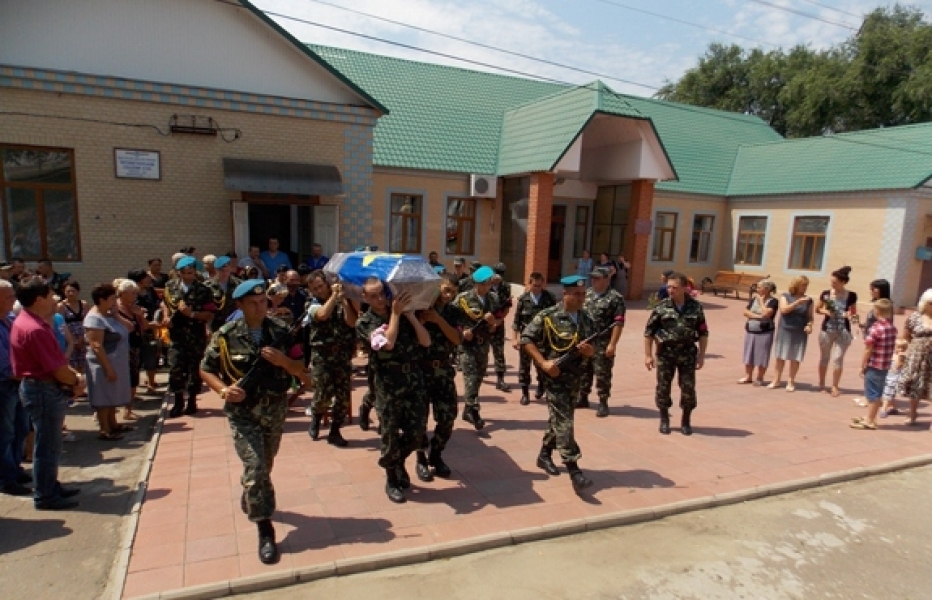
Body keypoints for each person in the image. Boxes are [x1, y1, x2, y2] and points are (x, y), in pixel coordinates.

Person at [200, 279, 307, 564]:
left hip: (274, 410)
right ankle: (265, 529)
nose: (261, 307)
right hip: (242, 412)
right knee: (257, 466)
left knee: (264, 464)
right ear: (240, 305)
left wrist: (284, 362)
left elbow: (304, 370)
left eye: (264, 302)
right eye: (253, 303)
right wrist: (223, 390)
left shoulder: (282, 331)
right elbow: (205, 369)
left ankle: (252, 489)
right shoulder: (225, 335)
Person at [11, 277, 86, 510]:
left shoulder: (31, 322)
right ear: (39, 299)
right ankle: (45, 495)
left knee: (50, 443)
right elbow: (57, 370)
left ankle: (50, 485)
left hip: (41, 387)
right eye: (51, 295)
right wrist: (76, 380)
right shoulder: (33, 328)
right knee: (47, 445)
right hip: (42, 389)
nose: (56, 299)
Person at [355, 278, 431, 503]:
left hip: (413, 380)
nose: (380, 299)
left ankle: (398, 462)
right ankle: (391, 478)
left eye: (382, 293)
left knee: (417, 431)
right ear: (365, 298)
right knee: (389, 433)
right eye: (374, 296)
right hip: (388, 384)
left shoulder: (401, 312)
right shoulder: (366, 322)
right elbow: (387, 344)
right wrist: (396, 315)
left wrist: (409, 316)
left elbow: (425, 342)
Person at [520, 275, 595, 491]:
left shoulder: (586, 317)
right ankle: (574, 469)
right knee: (565, 421)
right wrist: (543, 363)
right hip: (554, 378)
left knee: (559, 418)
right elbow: (526, 338)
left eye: (583, 294)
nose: (582, 298)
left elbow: (592, 345)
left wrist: (590, 352)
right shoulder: (548, 316)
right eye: (577, 294)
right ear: (566, 294)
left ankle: (544, 454)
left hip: (576, 378)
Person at [644, 272, 708, 435]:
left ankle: (686, 420)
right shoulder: (661, 307)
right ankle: (664, 418)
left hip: (687, 354)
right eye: (669, 287)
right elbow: (649, 332)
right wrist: (648, 355)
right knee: (663, 387)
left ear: (685, 288)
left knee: (688, 388)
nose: (670, 290)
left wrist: (701, 355)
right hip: (666, 354)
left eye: (675, 287)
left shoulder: (695, 307)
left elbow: (703, 332)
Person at [414, 274, 462, 480]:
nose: (448, 294)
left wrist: (438, 319)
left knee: (447, 416)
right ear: (437, 287)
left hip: (442, 370)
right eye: (445, 289)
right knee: (419, 419)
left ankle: (436, 453)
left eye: (452, 291)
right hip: (420, 370)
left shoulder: (453, 312)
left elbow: (457, 338)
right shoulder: (420, 306)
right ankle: (420, 458)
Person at [305, 271, 357, 447]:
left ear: (327, 284)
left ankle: (335, 431)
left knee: (343, 397)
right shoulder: (311, 304)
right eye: (315, 288)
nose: (319, 290)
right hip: (323, 356)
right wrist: (334, 296)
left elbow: (351, 322)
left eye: (321, 286)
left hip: (342, 355)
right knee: (322, 394)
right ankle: (316, 418)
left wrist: (343, 300)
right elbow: (322, 315)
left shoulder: (342, 301)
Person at [161, 256, 215, 417]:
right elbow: (165, 303)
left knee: (195, 368)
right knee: (176, 367)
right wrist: (165, 317)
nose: (188, 276)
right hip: (177, 335)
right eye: (184, 273)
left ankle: (192, 400)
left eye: (191, 273)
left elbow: (209, 313)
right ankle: (178, 401)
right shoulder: (170, 286)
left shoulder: (204, 290)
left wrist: (191, 314)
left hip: (195, 335)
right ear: (179, 273)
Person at [454, 265, 501, 430]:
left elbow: (497, 321)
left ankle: (468, 408)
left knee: (479, 376)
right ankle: (474, 410)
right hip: (467, 345)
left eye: (489, 284)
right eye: (485, 284)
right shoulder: (463, 299)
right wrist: (462, 331)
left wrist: (492, 323)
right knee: (471, 377)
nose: (487, 287)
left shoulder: (493, 299)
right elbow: (452, 319)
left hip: (483, 344)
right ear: (477, 284)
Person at [84, 283, 132, 440]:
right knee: (103, 397)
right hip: (103, 364)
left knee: (112, 395)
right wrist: (108, 368)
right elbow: (96, 346)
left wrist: (117, 315)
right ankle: (104, 429)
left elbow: (130, 327)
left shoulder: (110, 315)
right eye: (112, 299)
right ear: (101, 300)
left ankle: (113, 423)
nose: (114, 301)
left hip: (117, 361)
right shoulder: (94, 318)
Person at [579, 267, 626, 417]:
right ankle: (583, 397)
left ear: (607, 279)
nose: (593, 280)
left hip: (603, 342)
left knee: (602, 373)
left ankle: (603, 402)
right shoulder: (588, 294)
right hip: (586, 341)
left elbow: (618, 323)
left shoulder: (615, 298)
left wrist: (612, 344)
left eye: (597, 278)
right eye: (592, 278)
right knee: (584, 371)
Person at [0, 280, 32, 496]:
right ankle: (6, 478)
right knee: (5, 433)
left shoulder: (11, 320)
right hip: (4, 386)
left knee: (20, 428)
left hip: (18, 383)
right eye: (9, 297)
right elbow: (3, 363)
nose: (14, 300)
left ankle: (15, 467)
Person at [850, 299, 897, 430]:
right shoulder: (892, 328)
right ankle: (870, 416)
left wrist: (862, 365)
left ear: (877, 311)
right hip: (885, 364)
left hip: (874, 364)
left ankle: (870, 420)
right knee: (878, 391)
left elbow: (868, 348)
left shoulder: (876, 328)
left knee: (872, 393)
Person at [512, 272, 557, 406]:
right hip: (526, 340)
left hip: (543, 339)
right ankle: (525, 393)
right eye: (534, 285)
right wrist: (515, 339)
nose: (537, 288)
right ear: (529, 283)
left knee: (541, 365)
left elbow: (555, 319)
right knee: (524, 368)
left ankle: (541, 385)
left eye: (539, 285)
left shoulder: (549, 298)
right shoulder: (523, 299)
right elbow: (516, 321)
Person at [816, 266, 857, 397]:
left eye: (835, 282)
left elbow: (853, 312)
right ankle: (822, 383)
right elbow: (818, 309)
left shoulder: (851, 296)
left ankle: (835, 386)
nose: (832, 284)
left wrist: (849, 315)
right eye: (831, 281)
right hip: (827, 329)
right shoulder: (826, 294)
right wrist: (826, 311)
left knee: (838, 358)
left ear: (843, 282)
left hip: (843, 330)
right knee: (824, 357)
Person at [769, 276, 814, 392]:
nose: (805, 288)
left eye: (806, 285)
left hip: (799, 331)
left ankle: (791, 381)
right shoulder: (785, 296)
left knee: (795, 356)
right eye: (803, 285)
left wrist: (809, 325)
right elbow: (783, 310)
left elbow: (810, 317)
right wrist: (797, 302)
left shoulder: (809, 300)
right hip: (785, 329)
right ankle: (776, 380)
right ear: (796, 285)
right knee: (780, 356)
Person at [113, 279, 147, 421]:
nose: (135, 296)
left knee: (133, 379)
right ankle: (109, 408)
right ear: (122, 294)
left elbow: (144, 327)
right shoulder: (114, 309)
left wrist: (140, 316)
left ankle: (128, 410)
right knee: (117, 379)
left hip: (134, 347)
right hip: (119, 348)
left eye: (135, 293)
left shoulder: (135, 308)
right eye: (132, 293)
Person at [897, 289, 932, 428]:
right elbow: (905, 337)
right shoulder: (915, 317)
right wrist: (901, 354)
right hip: (917, 357)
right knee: (916, 386)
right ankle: (912, 414)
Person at [739, 280, 778, 386]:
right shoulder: (753, 299)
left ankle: (760, 378)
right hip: (750, 330)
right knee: (749, 354)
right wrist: (757, 316)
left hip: (764, 332)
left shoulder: (773, 301)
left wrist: (761, 302)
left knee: (762, 355)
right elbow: (745, 312)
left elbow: (767, 313)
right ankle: (748, 376)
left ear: (767, 289)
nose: (757, 289)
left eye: (759, 287)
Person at [129, 269, 162, 394]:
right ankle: (133, 388)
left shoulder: (150, 291)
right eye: (146, 277)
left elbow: (159, 303)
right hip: (136, 329)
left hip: (151, 328)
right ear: (139, 280)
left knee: (152, 355)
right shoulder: (132, 294)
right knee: (136, 360)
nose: (149, 279)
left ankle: (151, 382)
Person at [489, 263, 513, 392]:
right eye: (497, 273)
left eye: (501, 274)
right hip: (484, 324)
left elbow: (507, 306)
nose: (498, 277)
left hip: (498, 323)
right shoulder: (485, 285)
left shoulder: (506, 287)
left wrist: (498, 321)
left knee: (499, 351)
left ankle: (500, 379)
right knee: (481, 352)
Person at [59, 281, 88, 373]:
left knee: (83, 366)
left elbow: (87, 321)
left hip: (83, 339)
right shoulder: (61, 306)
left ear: (78, 291)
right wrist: (73, 340)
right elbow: (62, 324)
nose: (71, 293)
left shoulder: (84, 304)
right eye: (68, 291)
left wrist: (82, 339)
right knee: (72, 367)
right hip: (69, 340)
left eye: (73, 291)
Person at [207, 255, 240, 333]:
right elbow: (205, 308)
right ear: (216, 270)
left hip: (234, 321)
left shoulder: (238, 284)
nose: (225, 273)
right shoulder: (207, 286)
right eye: (222, 270)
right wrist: (207, 326)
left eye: (227, 270)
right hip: (215, 323)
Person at [879, 338, 908, 418]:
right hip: (888, 376)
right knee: (890, 394)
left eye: (903, 348)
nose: (900, 349)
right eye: (898, 347)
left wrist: (899, 356)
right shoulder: (892, 354)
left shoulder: (902, 356)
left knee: (887, 394)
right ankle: (894, 408)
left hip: (895, 378)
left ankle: (883, 409)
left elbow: (898, 366)